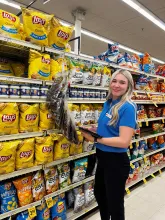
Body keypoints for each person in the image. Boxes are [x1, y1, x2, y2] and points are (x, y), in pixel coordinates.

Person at [81, 69, 137, 220]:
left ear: (129, 86)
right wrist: (94, 129)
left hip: (116, 161)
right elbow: (109, 128)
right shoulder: (109, 102)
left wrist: (95, 139)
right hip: (102, 158)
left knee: (115, 203)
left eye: (122, 82)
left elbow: (124, 141)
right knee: (100, 194)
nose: (117, 85)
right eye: (114, 81)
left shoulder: (128, 107)